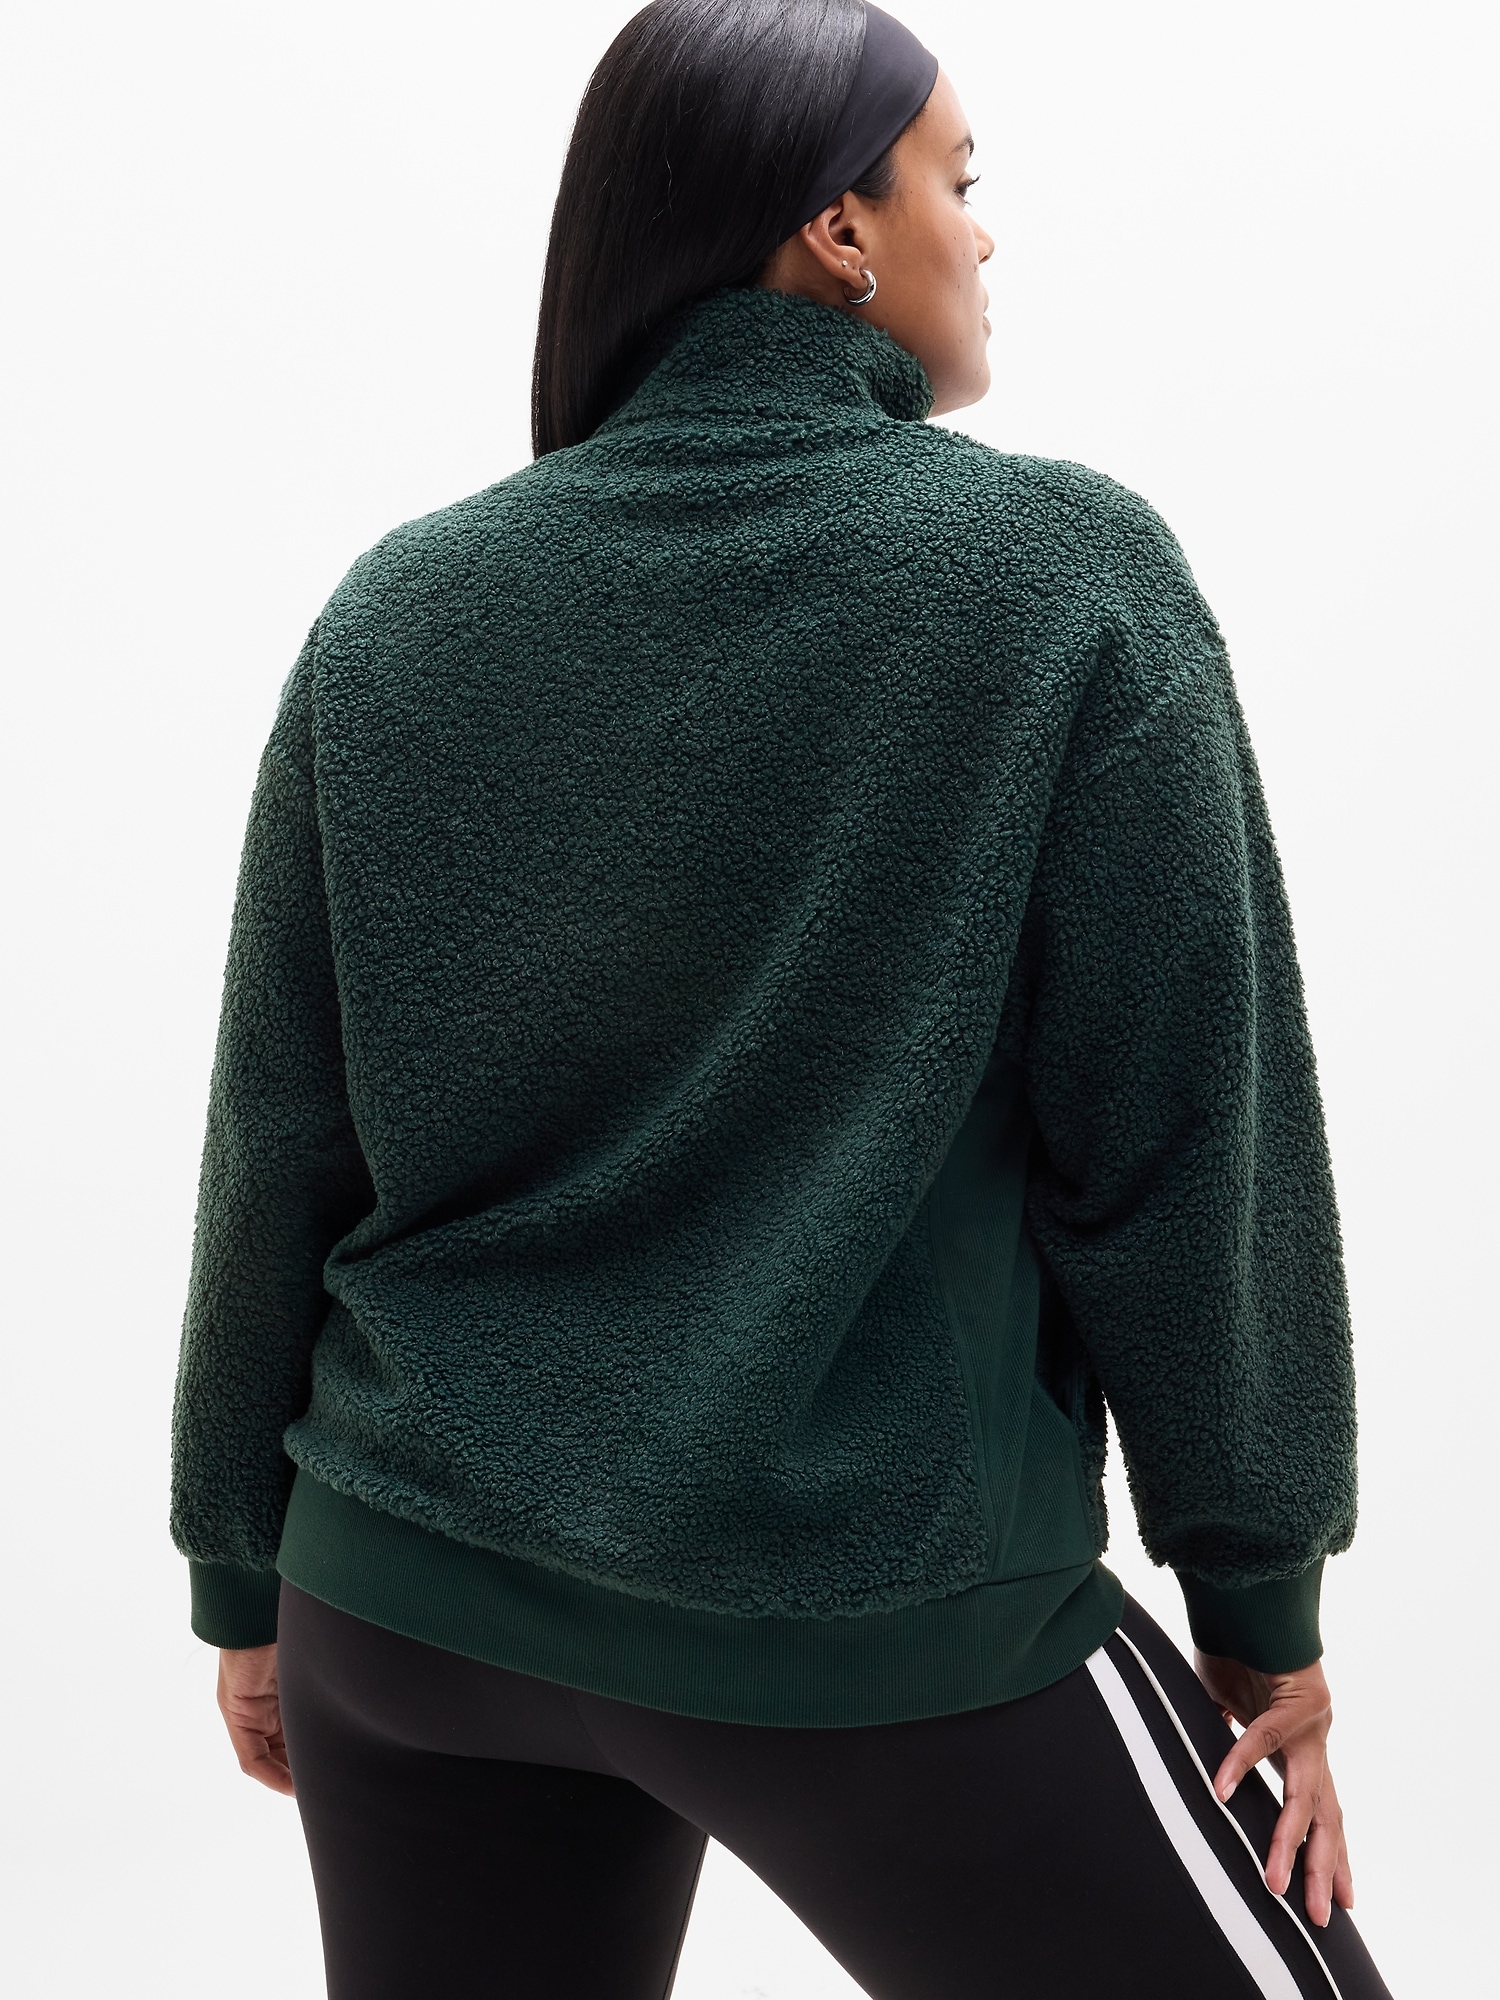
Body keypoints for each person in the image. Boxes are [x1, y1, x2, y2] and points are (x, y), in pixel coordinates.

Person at [170, 4, 1392, 1995]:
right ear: (838, 226)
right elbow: (1182, 1145)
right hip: (871, 1610)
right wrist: (1262, 1616)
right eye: (956, 183)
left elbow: (279, 1136)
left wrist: (244, 1570)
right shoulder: (1059, 576)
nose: (981, 233)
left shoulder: (396, 610)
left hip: (401, 1606)